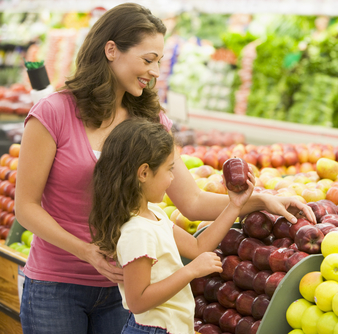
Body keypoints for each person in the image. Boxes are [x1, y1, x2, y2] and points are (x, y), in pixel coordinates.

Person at [15, 3, 314, 334]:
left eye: (159, 60)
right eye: (148, 60)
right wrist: (87, 252)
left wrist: (262, 199)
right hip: (56, 287)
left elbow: (192, 203)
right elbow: (26, 208)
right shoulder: (53, 112)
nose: (156, 71)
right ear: (111, 50)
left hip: (127, 290)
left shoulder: (151, 121)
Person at [89, 119, 254, 333]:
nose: (172, 178)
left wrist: (234, 206)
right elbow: (138, 300)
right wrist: (190, 271)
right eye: (169, 170)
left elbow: (198, 247)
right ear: (144, 173)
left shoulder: (154, 214)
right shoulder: (137, 231)